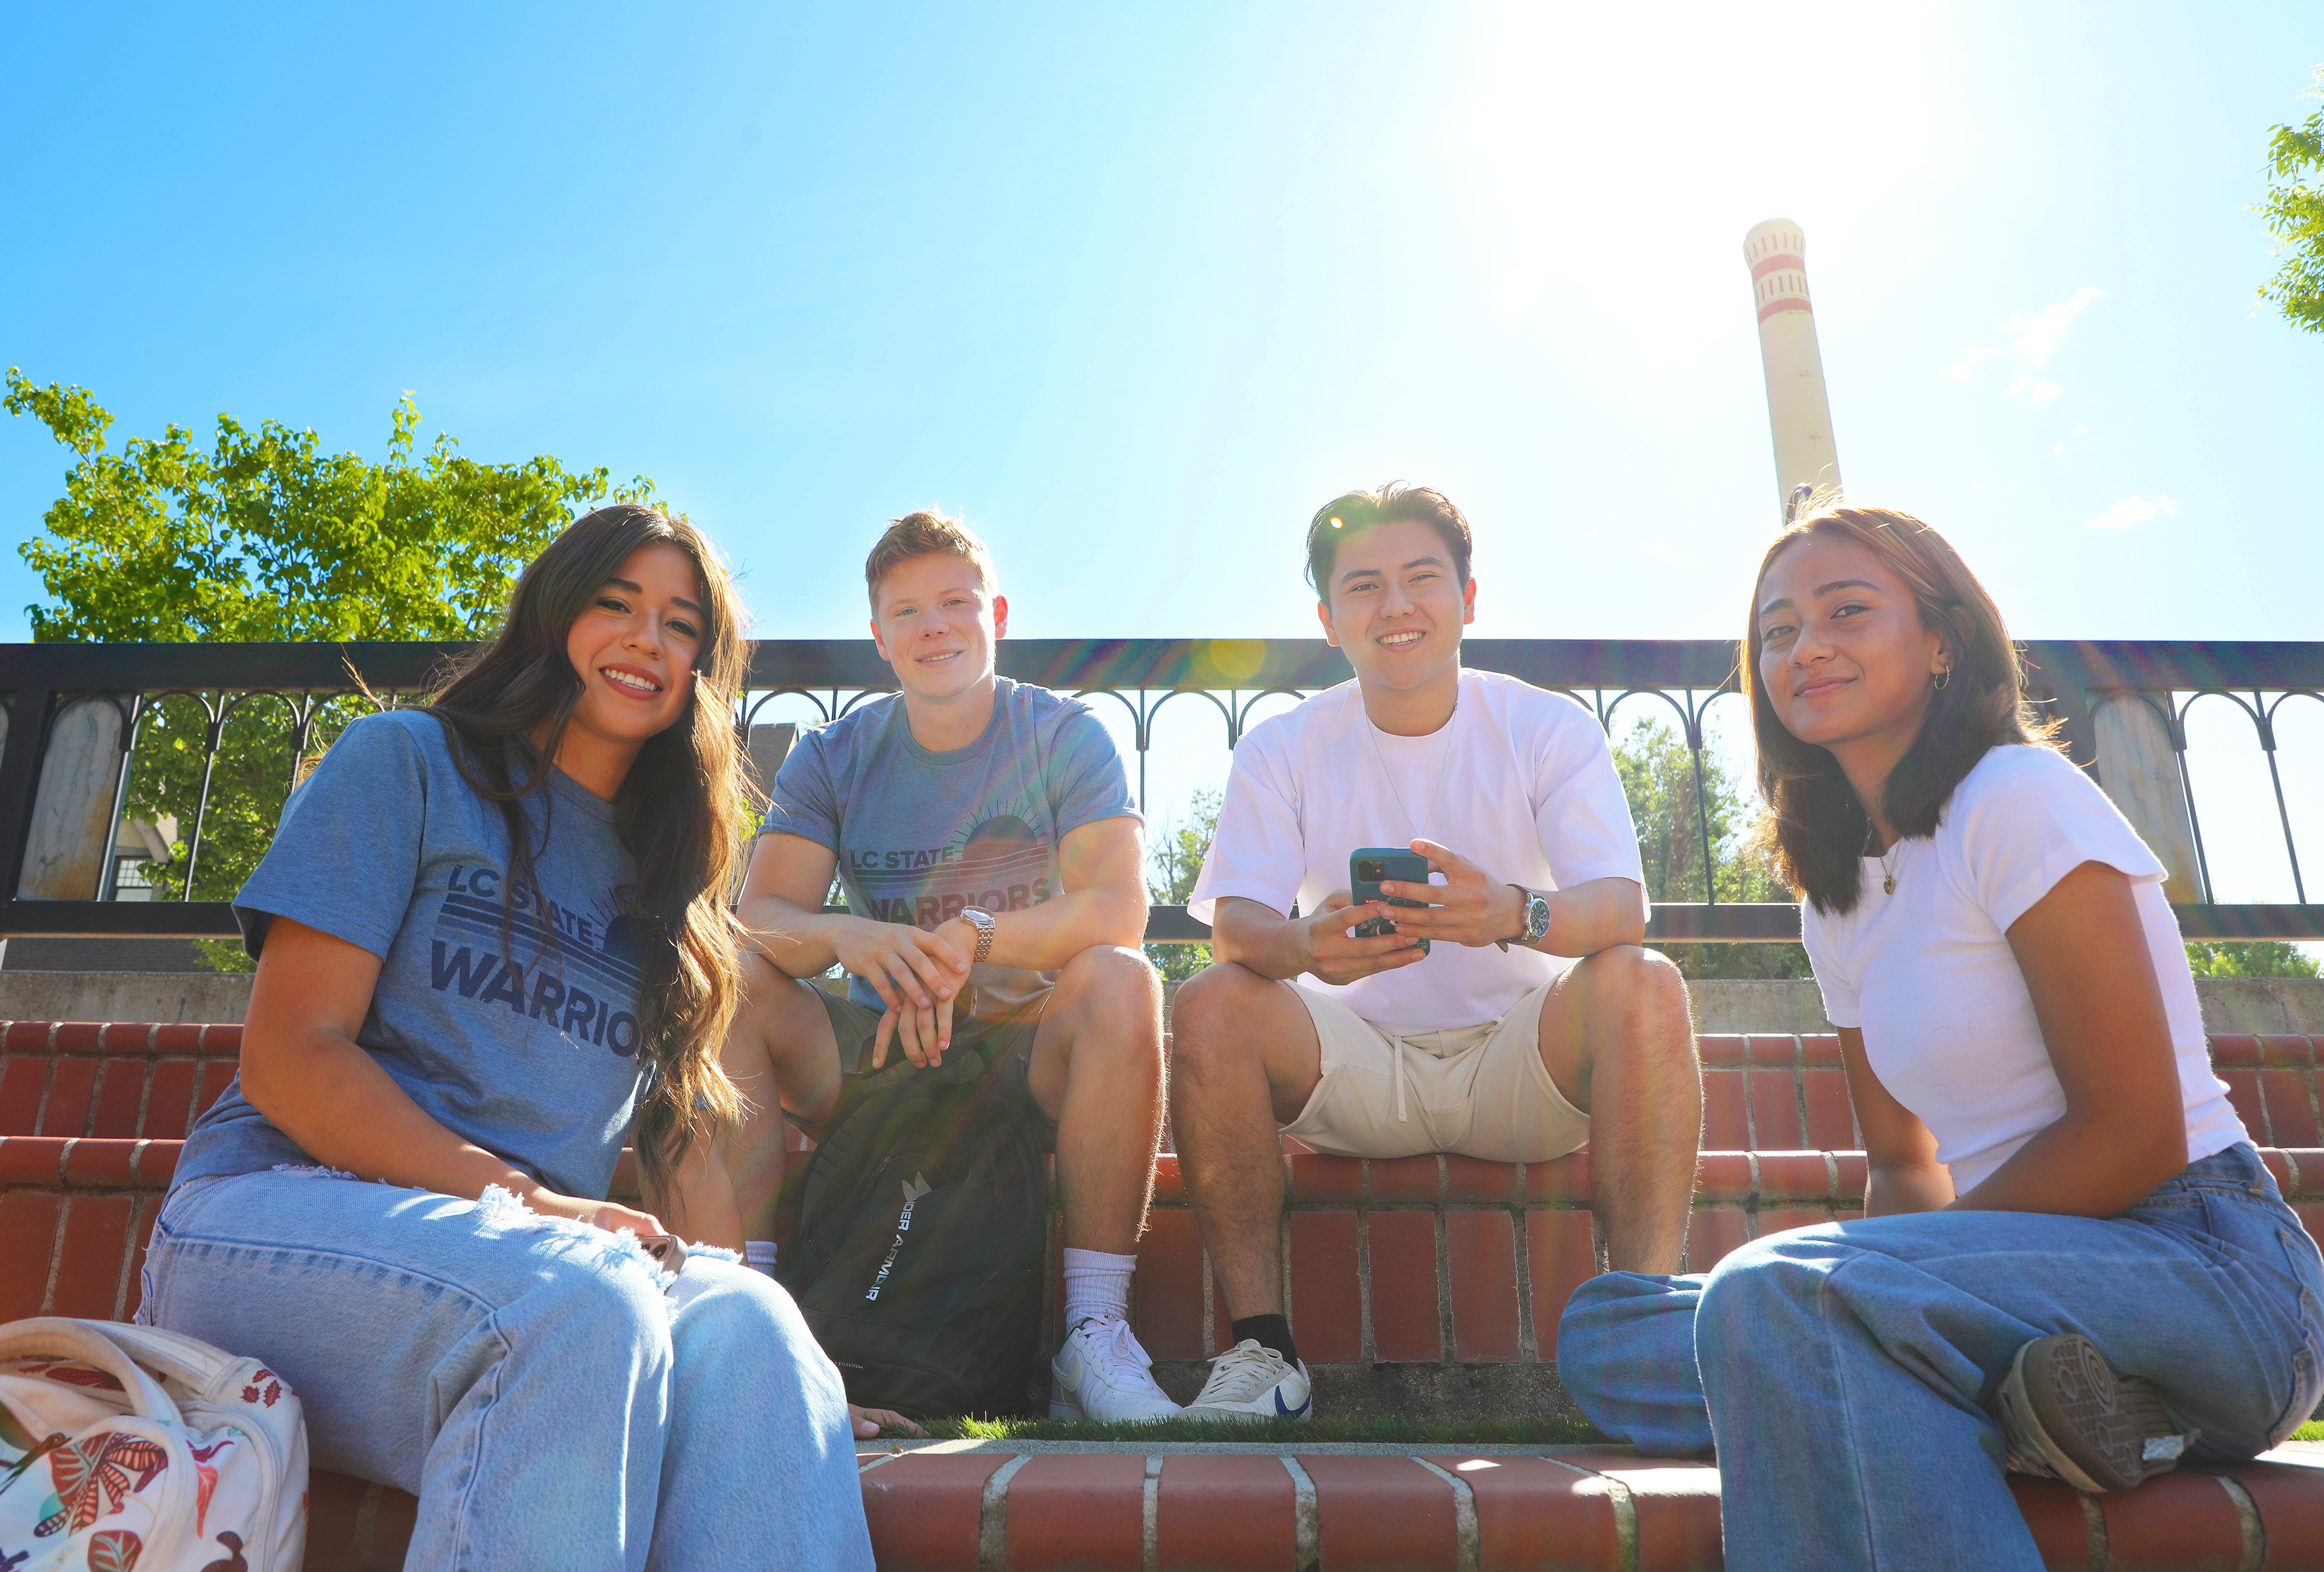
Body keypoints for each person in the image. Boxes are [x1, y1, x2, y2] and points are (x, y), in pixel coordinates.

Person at [1557, 503, 2324, 1570]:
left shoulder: (2016, 797)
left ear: (1942, 644)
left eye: (1847, 611)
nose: (1805, 646)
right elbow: (1901, 1164)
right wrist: (1901, 1278)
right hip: (2021, 1282)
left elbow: (2138, 1132)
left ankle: (1984, 1378)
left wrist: (1892, 1279)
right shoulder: (1835, 896)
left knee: (1774, 1299)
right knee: (1612, 1327)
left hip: (2204, 1265)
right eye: (1777, 631)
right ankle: (2068, 1410)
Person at [139, 505, 874, 1572]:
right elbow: (291, 1054)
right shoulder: (409, 762)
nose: (644, 640)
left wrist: (792, 1388)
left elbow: (678, 1142)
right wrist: (527, 1202)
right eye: (613, 604)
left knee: (754, 1327)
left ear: (702, 675)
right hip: (277, 1215)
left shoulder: (666, 883)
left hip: (529, 1264)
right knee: (580, 1299)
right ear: (550, 617)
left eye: (680, 625)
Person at [1170, 482, 1701, 1421]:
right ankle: (1264, 1352)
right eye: (1364, 585)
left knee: (1644, 986)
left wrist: (1513, 912)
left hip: (1521, 1062)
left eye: (1422, 577)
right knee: (1211, 998)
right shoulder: (1283, 744)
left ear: (1469, 598)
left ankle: (1645, 1337)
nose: (1397, 605)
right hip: (1355, 1065)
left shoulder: (1546, 725)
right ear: (1329, 619)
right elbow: (1234, 927)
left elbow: (1622, 906)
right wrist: (1304, 946)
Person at [709, 510, 1177, 1422]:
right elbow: (759, 918)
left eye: (956, 602)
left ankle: (1094, 1334)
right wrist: (851, 937)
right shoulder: (833, 753)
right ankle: (750, 1320)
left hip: (1020, 1043)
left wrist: (978, 936)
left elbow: (1119, 908)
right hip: (877, 1044)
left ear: (994, 612)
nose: (935, 626)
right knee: (734, 986)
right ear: (880, 638)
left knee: (1125, 977)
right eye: (909, 611)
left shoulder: (1063, 734)